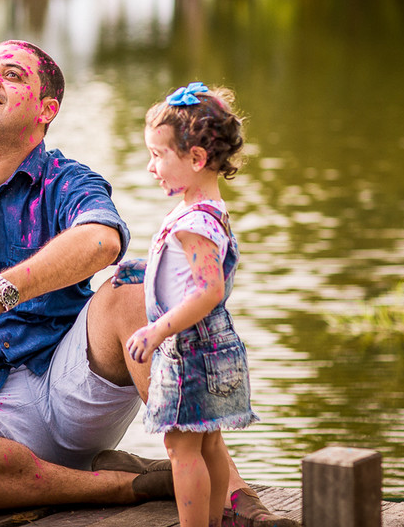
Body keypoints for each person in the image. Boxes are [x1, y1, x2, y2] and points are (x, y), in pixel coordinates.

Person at [0, 39, 293, 527]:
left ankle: (239, 503)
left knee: (131, 286)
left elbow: (102, 242)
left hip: (70, 386)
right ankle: (125, 484)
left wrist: (1, 290)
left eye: (11, 75)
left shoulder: (70, 180)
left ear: (46, 109)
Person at [118, 82, 257, 527]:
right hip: (212, 347)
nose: (150, 167)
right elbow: (185, 275)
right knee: (208, 443)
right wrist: (142, 271)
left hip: (189, 350)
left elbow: (208, 290)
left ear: (196, 159)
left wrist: (158, 330)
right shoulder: (206, 209)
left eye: (158, 156)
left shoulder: (194, 222)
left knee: (181, 450)